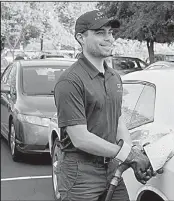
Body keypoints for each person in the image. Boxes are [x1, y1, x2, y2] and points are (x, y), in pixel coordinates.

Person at [54, 10, 158, 201]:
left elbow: (118, 122)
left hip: (111, 168)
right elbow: (80, 138)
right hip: (80, 174)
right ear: (81, 38)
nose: (109, 38)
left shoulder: (114, 78)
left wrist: (131, 157)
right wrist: (128, 155)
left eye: (111, 32)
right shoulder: (70, 81)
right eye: (100, 32)